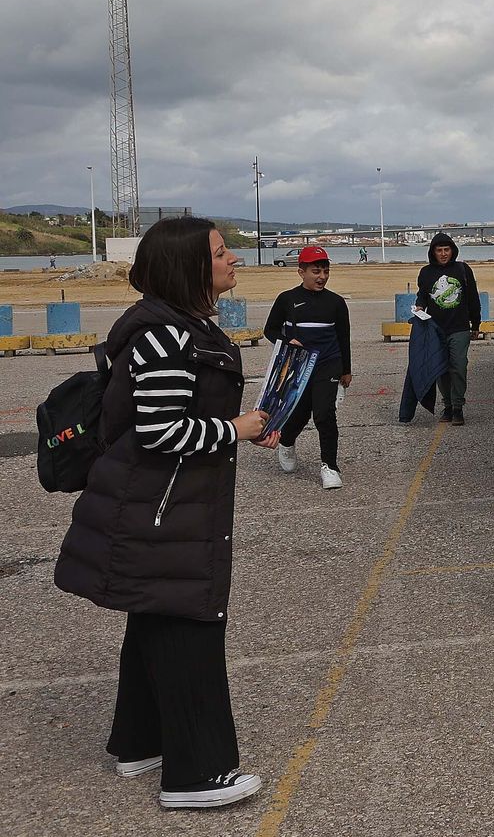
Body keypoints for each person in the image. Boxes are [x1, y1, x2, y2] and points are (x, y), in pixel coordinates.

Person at [55, 216, 276, 810]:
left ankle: (139, 742)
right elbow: (161, 430)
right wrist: (236, 428)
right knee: (191, 626)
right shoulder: (163, 336)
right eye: (222, 252)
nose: (234, 260)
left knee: (154, 617)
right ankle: (196, 776)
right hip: (161, 509)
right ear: (189, 267)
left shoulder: (180, 327)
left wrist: (236, 432)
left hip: (163, 504)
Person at [264, 246, 352, 489]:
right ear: (301, 272)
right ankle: (286, 442)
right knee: (300, 414)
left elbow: (343, 336)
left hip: (328, 363)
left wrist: (346, 369)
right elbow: (269, 330)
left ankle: (330, 467)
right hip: (299, 365)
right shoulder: (287, 299)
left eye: (325, 271)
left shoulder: (336, 302)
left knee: (324, 414)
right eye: (316, 271)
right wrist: (284, 341)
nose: (322, 276)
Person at [414, 232, 480, 426]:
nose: (443, 254)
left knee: (458, 367)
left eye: (446, 250)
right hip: (436, 330)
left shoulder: (463, 270)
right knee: (442, 370)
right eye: (439, 250)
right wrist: (419, 306)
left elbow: (473, 299)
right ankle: (448, 405)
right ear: (433, 252)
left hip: (459, 328)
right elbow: (423, 296)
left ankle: (458, 407)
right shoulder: (426, 273)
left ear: (452, 251)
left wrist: (475, 324)